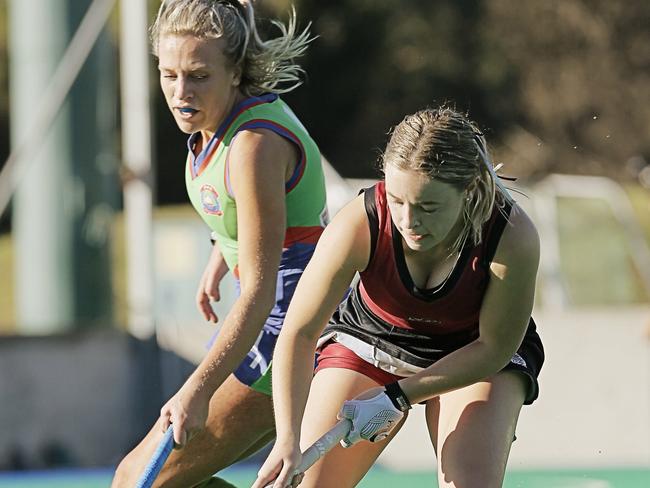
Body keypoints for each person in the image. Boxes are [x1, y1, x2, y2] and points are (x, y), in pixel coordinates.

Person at [253, 106, 545, 488]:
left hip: (474, 355)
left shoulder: (512, 236)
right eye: (397, 201)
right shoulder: (359, 222)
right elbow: (299, 332)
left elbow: (494, 348)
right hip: (371, 343)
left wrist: (397, 396)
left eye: (428, 206)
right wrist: (288, 439)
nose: (408, 222)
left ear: (469, 190)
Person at [111, 1, 327, 487]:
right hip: (272, 321)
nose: (180, 93)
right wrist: (219, 257)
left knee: (138, 481)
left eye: (198, 76)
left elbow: (260, 290)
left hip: (291, 332)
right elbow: (254, 217)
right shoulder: (219, 122)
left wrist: (197, 388)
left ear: (235, 72)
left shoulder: (253, 146)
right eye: (168, 74)